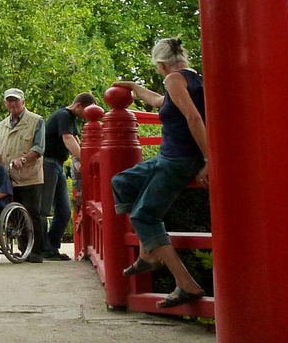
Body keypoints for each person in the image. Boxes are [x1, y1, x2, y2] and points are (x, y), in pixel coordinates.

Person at [111, 38, 209, 307]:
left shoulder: (173, 80)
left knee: (145, 215)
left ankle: (185, 283)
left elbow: (193, 118)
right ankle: (147, 251)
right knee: (122, 181)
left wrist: (208, 157)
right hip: (167, 157)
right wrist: (134, 88)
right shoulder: (191, 78)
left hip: (179, 159)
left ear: (162, 64)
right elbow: (159, 102)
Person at [42, 92, 96, 260]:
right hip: (47, 163)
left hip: (58, 164)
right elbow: (67, 138)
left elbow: (76, 140)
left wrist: (80, 158)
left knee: (64, 210)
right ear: (79, 105)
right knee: (44, 208)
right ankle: (42, 247)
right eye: (86, 111)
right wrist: (86, 160)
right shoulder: (63, 115)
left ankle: (51, 246)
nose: (86, 116)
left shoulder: (72, 120)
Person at [0, 88, 47, 263]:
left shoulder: (36, 121)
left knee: (33, 212)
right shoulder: (2, 124)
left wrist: (23, 160)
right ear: (5, 103)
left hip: (30, 176)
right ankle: (23, 249)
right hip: (8, 177)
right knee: (15, 215)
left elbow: (39, 148)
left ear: (23, 102)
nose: (13, 104)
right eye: (9, 101)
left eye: (16, 101)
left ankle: (37, 251)